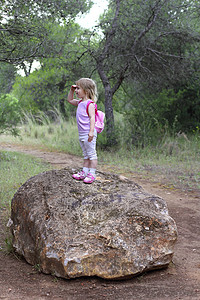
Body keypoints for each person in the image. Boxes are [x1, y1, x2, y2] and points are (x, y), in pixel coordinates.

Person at [67, 78, 98, 184]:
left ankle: (92, 173)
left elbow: (92, 118)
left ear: (87, 90)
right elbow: (70, 100)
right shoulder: (80, 102)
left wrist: (91, 131)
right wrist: (71, 90)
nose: (76, 91)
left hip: (88, 133)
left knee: (91, 154)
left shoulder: (90, 104)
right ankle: (84, 171)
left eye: (78, 88)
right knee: (85, 154)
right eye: (76, 88)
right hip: (82, 134)